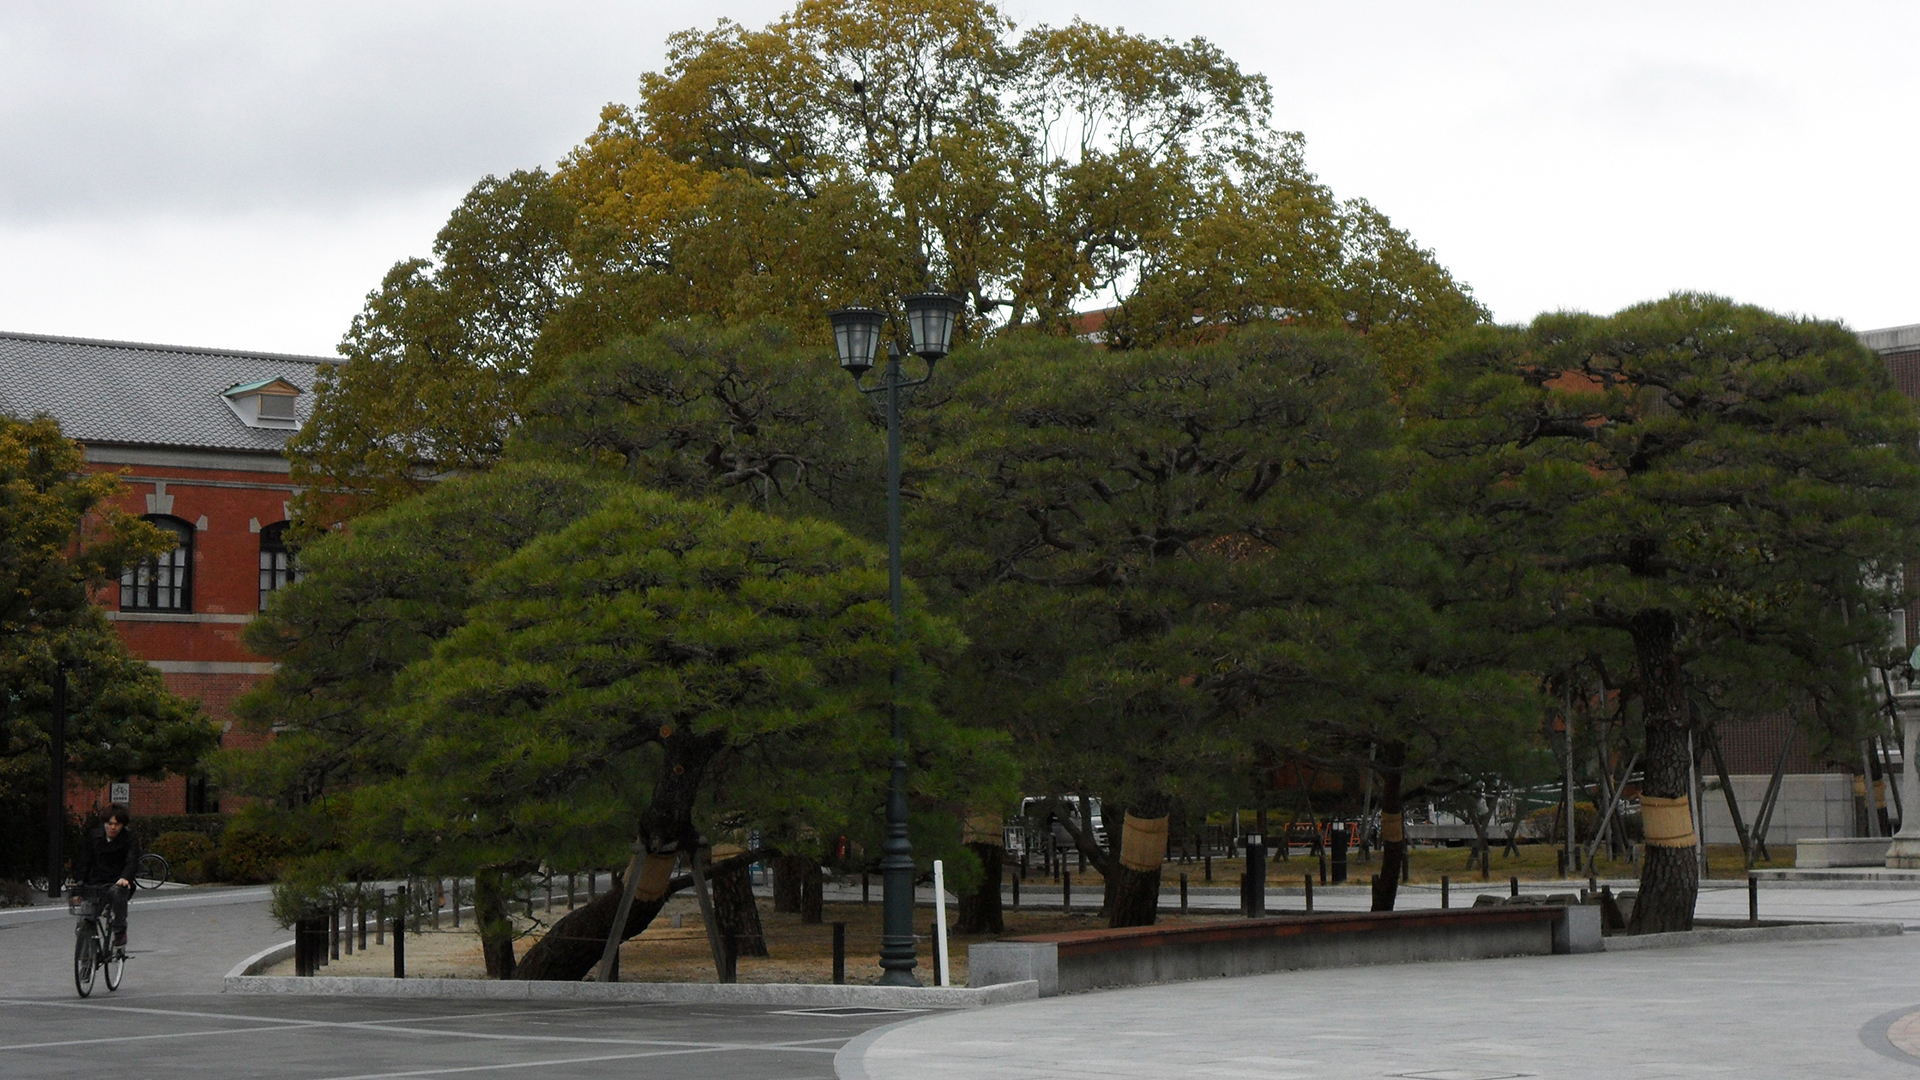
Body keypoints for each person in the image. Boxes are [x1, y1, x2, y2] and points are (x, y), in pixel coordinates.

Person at [74, 804, 139, 947]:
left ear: (123, 825)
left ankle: (119, 931)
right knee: (87, 915)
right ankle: (86, 949)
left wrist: (125, 878)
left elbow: (132, 861)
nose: (113, 828)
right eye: (109, 824)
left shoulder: (129, 839)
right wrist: (79, 881)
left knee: (118, 895)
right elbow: (85, 860)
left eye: (117, 824)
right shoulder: (94, 836)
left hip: (117, 882)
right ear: (104, 823)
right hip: (96, 882)